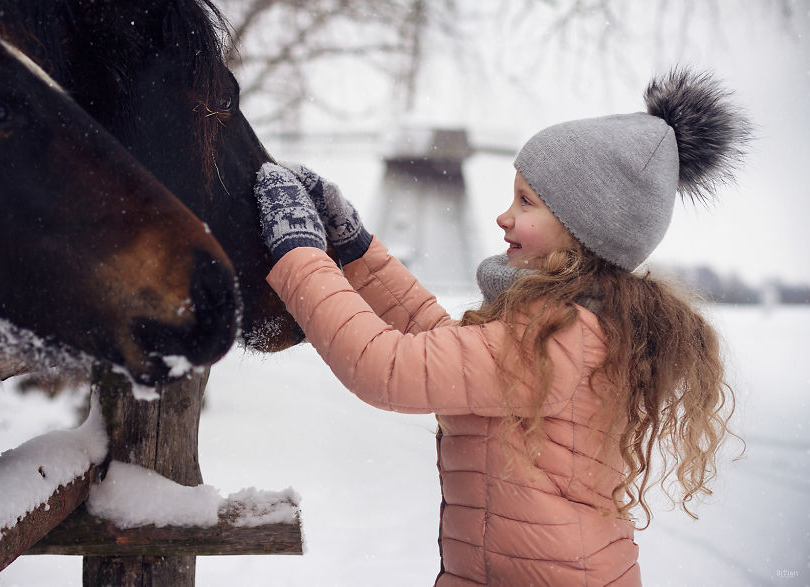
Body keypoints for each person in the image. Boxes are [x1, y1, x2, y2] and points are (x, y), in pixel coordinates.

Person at [253, 68, 751, 586]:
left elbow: (388, 367)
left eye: (527, 202)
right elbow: (444, 351)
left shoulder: (559, 339)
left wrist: (300, 254)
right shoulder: (574, 324)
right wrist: (356, 252)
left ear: (583, 229)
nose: (503, 217)